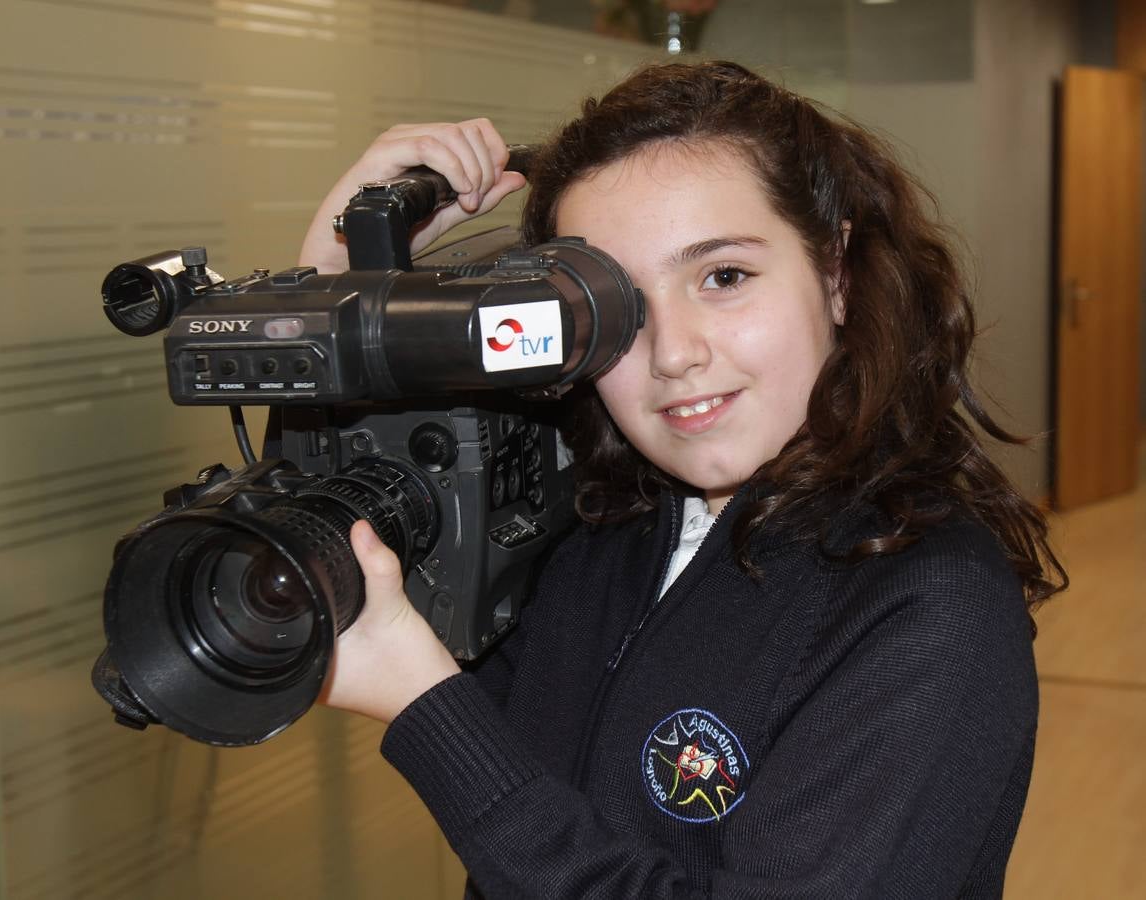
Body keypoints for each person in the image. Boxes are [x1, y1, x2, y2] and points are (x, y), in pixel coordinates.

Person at [298, 60, 1066, 899]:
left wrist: (429, 708)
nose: (672, 353)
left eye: (724, 277)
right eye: (619, 308)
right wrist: (338, 290)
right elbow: (333, 553)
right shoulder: (595, 526)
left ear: (836, 274)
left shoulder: (931, 603)